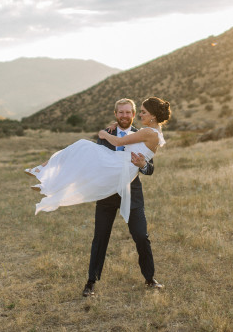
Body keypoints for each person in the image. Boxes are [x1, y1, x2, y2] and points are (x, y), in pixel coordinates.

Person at [25, 97, 171, 296]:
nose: (124, 115)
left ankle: (150, 278)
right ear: (115, 114)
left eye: (129, 112)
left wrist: (142, 165)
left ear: (134, 114)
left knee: (141, 236)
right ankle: (91, 282)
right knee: (100, 237)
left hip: (130, 191)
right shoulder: (106, 136)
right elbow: (91, 162)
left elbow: (150, 168)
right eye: (121, 112)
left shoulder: (141, 133)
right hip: (106, 192)